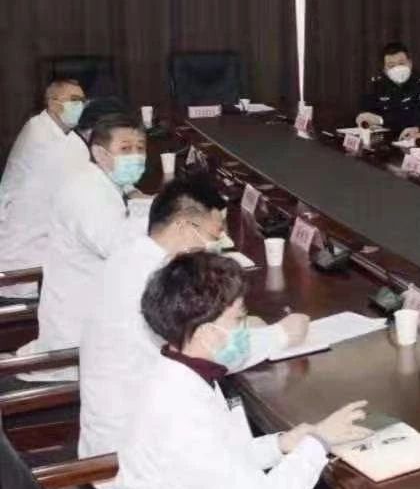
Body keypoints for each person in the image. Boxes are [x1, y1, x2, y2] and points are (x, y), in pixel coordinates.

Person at [115, 252, 367, 489]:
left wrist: (280, 444)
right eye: (239, 319)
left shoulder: (181, 374)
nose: (246, 328)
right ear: (207, 334)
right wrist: (318, 443)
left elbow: (220, 460)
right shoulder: (179, 409)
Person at [79, 176, 311, 461]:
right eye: (214, 235)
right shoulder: (154, 281)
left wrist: (238, 323)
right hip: (132, 452)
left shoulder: (130, 257)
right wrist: (281, 335)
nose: (220, 244)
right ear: (183, 226)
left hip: (130, 426)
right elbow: (212, 352)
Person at [17, 114, 149, 375]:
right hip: (80, 339)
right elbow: (119, 248)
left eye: (140, 148)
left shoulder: (96, 180)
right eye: (125, 149)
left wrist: (134, 194)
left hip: (90, 314)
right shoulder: (88, 194)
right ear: (99, 153)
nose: (136, 156)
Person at [0, 79, 90, 297]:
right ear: (52, 103)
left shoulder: (71, 139)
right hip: (25, 245)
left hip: (51, 239)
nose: (80, 106)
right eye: (74, 100)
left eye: (82, 101)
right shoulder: (38, 133)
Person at [356, 42, 420, 140]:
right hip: (383, 140)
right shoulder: (378, 84)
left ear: (410, 63)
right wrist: (363, 118)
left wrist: (381, 120)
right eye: (391, 65)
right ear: (384, 70)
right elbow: (366, 110)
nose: (397, 68)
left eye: (401, 63)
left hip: (411, 140)